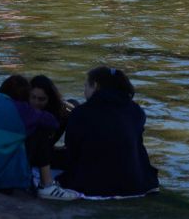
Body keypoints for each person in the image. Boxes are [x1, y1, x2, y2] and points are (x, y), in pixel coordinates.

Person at [0, 75, 80, 201]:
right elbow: (52, 122)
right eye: (32, 97)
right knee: (42, 130)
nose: (35, 102)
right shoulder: (22, 110)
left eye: (41, 99)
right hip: (0, 180)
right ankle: (46, 184)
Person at [57, 66, 159, 198]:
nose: (84, 91)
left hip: (92, 185)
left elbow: (72, 149)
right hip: (135, 184)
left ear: (95, 85)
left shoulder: (81, 112)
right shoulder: (136, 110)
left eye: (86, 86)